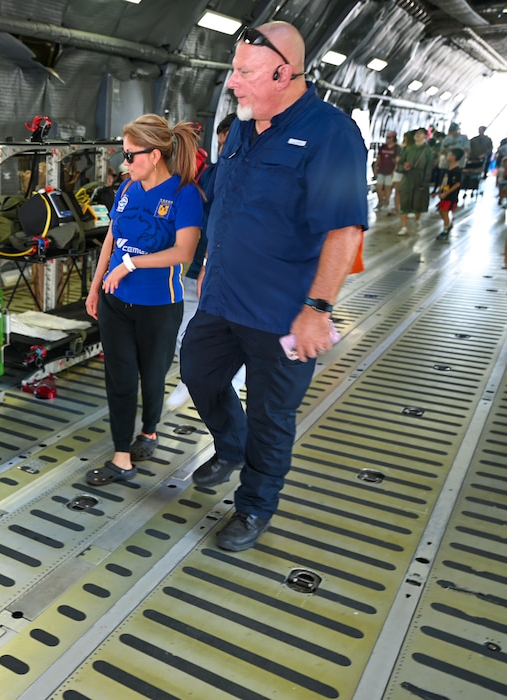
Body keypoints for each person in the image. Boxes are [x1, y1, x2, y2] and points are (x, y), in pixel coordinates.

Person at [180, 22, 367, 552]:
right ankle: (230, 444)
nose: (232, 82)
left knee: (271, 412)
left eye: (244, 72)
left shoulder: (330, 133)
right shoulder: (243, 124)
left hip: (282, 311)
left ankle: (256, 504)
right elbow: (222, 188)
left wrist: (318, 308)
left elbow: (344, 228)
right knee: (197, 370)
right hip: (221, 298)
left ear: (284, 73)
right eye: (234, 70)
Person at [82, 115, 203, 486]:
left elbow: (184, 251)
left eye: (131, 155)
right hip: (115, 301)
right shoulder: (126, 189)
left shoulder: (185, 195)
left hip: (159, 306)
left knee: (151, 377)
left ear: (154, 155)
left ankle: (149, 431)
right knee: (119, 378)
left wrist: (131, 264)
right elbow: (112, 238)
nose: (125, 162)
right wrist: (96, 282)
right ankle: (121, 458)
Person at [166, 113, 244, 409]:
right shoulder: (212, 173)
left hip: (232, 270)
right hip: (197, 266)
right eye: (221, 145)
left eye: (230, 144)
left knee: (234, 334)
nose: (225, 152)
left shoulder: (252, 178)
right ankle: (192, 377)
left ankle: (231, 389)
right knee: (187, 329)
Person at [398, 129, 435, 236]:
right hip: (407, 178)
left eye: (420, 134)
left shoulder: (428, 151)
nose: (417, 135)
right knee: (404, 200)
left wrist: (425, 182)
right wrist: (404, 168)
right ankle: (404, 226)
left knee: (417, 202)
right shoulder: (408, 149)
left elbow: (428, 168)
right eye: (416, 134)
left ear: (425, 136)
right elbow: (400, 164)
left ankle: (417, 219)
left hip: (420, 178)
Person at [434, 147, 463, 240]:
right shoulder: (448, 168)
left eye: (450, 154)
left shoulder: (457, 170)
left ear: (454, 157)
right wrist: (439, 191)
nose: (447, 156)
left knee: (445, 212)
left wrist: (446, 193)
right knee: (441, 211)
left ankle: (445, 230)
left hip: (450, 196)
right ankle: (448, 224)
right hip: (444, 193)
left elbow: (457, 184)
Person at [373, 131, 399, 214]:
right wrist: (375, 168)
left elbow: (397, 161)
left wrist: (394, 171)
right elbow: (379, 158)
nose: (388, 139)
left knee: (388, 188)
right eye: (387, 137)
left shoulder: (396, 148)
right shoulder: (383, 147)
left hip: (390, 171)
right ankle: (380, 201)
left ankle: (386, 202)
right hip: (381, 169)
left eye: (389, 138)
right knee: (378, 187)